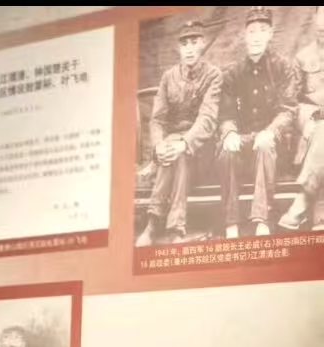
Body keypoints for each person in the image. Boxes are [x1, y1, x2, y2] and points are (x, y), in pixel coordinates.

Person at [137, 19, 223, 246]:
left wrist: (183, 143)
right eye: (185, 44)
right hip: (173, 151)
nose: (190, 48)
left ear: (203, 43)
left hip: (201, 150)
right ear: (179, 47)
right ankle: (176, 229)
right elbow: (157, 119)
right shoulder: (168, 77)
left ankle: (152, 224)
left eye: (194, 42)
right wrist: (159, 146)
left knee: (180, 151)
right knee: (173, 153)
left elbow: (207, 119)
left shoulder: (214, 75)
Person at [217, 5, 298, 238]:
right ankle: (231, 222)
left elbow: (288, 110)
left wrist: (271, 131)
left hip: (274, 146)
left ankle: (262, 220)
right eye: (252, 31)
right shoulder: (234, 72)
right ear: (244, 35)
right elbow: (226, 113)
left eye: (262, 30)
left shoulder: (282, 67)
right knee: (225, 149)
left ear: (271, 33)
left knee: (263, 144)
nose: (256, 37)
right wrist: (229, 132)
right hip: (244, 143)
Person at [278, 6, 324, 232]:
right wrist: (310, 117)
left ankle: (305, 200)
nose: (323, 23)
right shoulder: (302, 56)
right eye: (321, 14)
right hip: (310, 120)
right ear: (315, 17)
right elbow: (290, 102)